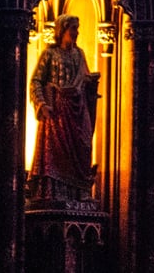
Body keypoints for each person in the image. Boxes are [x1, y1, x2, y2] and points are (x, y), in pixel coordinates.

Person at [30, 15, 101, 203]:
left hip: (77, 109)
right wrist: (42, 104)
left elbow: (85, 78)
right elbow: (37, 80)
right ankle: (54, 191)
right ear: (62, 30)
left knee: (83, 144)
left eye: (77, 28)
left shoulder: (80, 54)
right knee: (56, 152)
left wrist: (89, 82)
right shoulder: (50, 54)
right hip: (57, 112)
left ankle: (81, 190)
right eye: (73, 29)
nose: (76, 33)